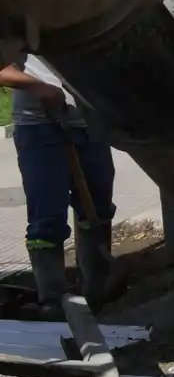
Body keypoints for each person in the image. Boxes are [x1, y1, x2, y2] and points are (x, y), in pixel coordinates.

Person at [1, 56, 121, 318]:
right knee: (47, 217)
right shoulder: (17, 29)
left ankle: (96, 290)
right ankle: (53, 300)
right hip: (39, 127)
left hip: (91, 123)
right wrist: (37, 86)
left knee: (98, 207)